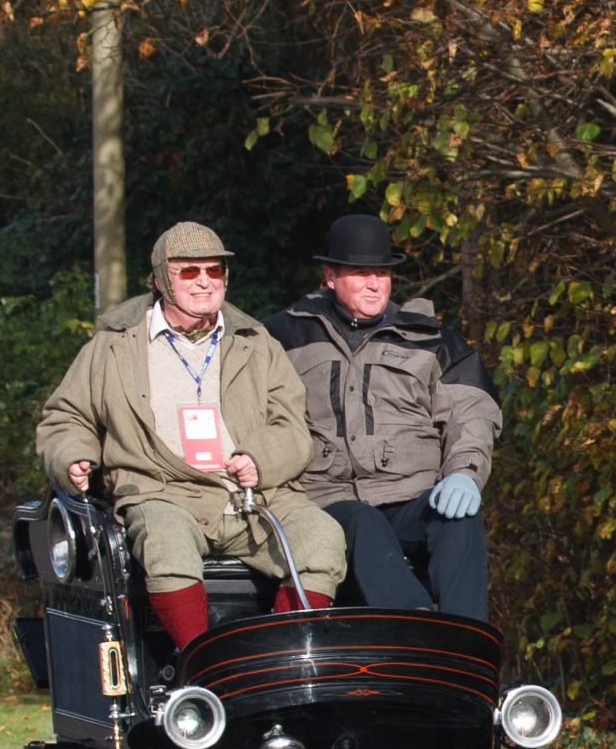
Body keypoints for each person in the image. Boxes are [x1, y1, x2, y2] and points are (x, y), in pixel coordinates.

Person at [36, 220, 347, 651]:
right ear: (163, 278)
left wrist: (260, 458)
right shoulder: (113, 346)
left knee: (324, 538)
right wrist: (73, 454)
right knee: (166, 542)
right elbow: (65, 416)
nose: (205, 281)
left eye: (214, 271)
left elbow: (293, 425)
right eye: (189, 271)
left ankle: (276, 665)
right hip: (162, 490)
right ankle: (201, 666)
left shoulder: (256, 342)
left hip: (252, 498)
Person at [263, 212, 502, 621]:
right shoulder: (281, 336)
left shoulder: (432, 339)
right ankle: (418, 627)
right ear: (330, 276)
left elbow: (471, 409)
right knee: (361, 521)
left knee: (459, 521)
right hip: (327, 500)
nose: (375, 283)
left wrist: (465, 470)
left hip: (410, 495)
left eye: (382, 272)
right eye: (360, 273)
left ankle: (467, 650)